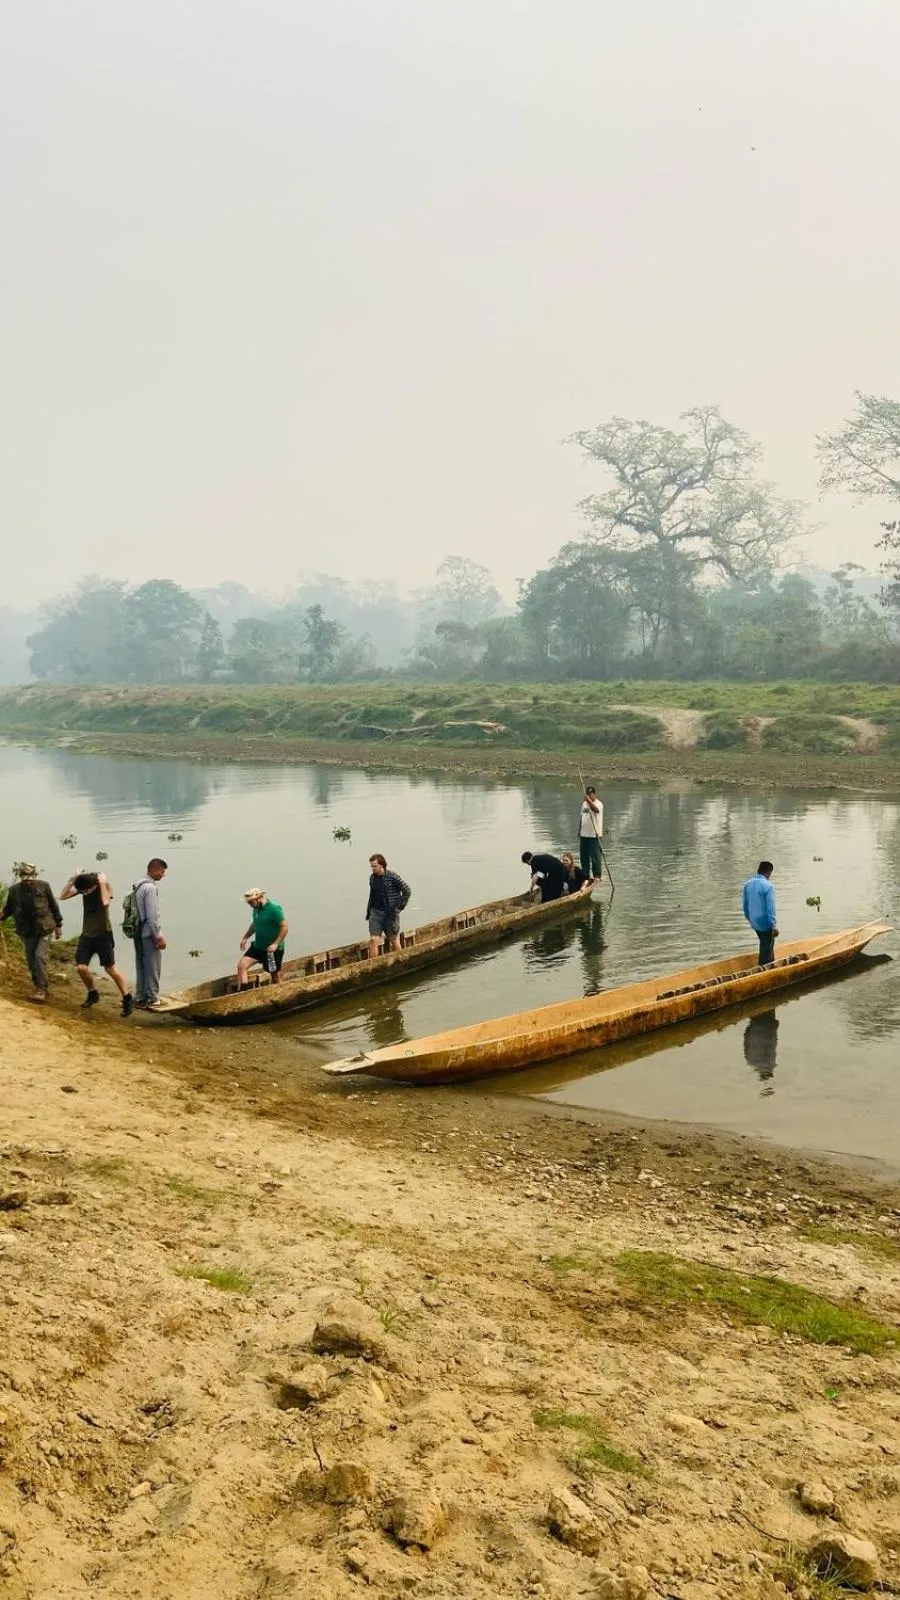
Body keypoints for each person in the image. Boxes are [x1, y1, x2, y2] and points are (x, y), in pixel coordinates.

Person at [60, 871, 133, 1016]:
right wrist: (72, 880)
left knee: (110, 969)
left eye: (88, 890)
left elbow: (106, 902)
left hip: (103, 934)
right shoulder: (84, 888)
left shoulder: (104, 887)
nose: (85, 893)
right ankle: (93, 993)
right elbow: (62, 896)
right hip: (86, 935)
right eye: (83, 891)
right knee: (81, 968)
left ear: (94, 885)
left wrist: (102, 883)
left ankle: (127, 998)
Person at [1, 863, 63, 1004]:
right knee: (31, 960)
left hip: (45, 928)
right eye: (25, 878)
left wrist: (58, 925)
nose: (28, 881)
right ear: (21, 878)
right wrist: (2, 916)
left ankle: (41, 989)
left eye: (30, 878)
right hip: (27, 931)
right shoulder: (14, 890)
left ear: (35, 876)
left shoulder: (44, 886)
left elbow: (54, 906)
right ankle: (39, 986)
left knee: (39, 957)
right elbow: (8, 909)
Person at [132, 858, 168, 1010]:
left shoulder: (138, 885)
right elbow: (151, 916)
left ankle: (140, 996)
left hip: (138, 932)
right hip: (148, 933)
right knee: (153, 965)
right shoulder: (150, 888)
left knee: (141, 965)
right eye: (162, 871)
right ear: (154, 870)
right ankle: (153, 997)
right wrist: (158, 936)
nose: (163, 875)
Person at [237, 888, 289, 988]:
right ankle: (244, 993)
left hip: (272, 949)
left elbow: (285, 926)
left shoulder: (273, 908)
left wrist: (276, 944)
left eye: (251, 902)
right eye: (248, 903)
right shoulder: (256, 909)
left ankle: (280, 992)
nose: (250, 905)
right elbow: (255, 924)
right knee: (241, 965)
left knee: (274, 975)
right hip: (258, 946)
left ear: (259, 898)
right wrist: (245, 938)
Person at [366, 854, 411, 957]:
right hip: (376, 912)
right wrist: (370, 910)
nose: (372, 868)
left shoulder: (392, 877)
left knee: (393, 939)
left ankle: (401, 959)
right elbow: (372, 895)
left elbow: (407, 891)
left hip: (390, 913)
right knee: (373, 940)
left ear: (382, 865)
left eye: (375, 866)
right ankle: (374, 965)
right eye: (371, 866)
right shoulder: (372, 878)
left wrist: (400, 907)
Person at [742, 859, 778, 966]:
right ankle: (764, 967)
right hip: (764, 922)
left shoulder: (748, 884)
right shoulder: (767, 886)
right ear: (769, 872)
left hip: (753, 921)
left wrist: (750, 920)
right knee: (766, 946)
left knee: (766, 943)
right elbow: (770, 909)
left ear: (758, 870)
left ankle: (771, 963)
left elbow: (745, 906)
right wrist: (773, 926)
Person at [579, 784, 604, 883]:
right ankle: (585, 875)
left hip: (594, 835)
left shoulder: (599, 804)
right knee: (584, 856)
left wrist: (589, 801)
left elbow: (596, 810)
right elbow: (581, 817)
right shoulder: (584, 804)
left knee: (595, 857)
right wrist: (579, 830)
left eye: (591, 794)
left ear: (594, 794)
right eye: (588, 794)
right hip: (584, 834)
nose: (589, 795)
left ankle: (597, 875)